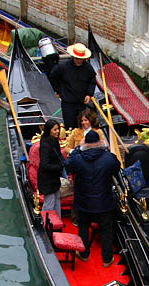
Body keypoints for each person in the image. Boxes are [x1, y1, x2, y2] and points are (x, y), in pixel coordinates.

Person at [64, 130, 120, 267]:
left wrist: (78, 148)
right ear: (99, 142)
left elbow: (67, 164)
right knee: (106, 230)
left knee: (83, 227)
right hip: (104, 203)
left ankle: (84, 254)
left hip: (84, 203)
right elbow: (117, 167)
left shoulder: (78, 158)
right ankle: (107, 259)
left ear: (86, 143)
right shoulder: (108, 158)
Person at [65, 109, 108, 226]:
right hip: (79, 166)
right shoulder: (75, 132)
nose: (84, 123)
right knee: (78, 191)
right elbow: (67, 148)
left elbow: (104, 147)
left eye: (86, 120)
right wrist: (76, 152)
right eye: (82, 120)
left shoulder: (98, 132)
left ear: (91, 120)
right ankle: (76, 218)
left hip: (93, 166)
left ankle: (90, 217)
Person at [49, 43, 96, 130]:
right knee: (69, 126)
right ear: (73, 56)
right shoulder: (63, 66)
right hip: (68, 103)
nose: (79, 61)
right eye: (77, 58)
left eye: (81, 59)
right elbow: (52, 76)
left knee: (81, 126)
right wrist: (58, 91)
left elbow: (92, 81)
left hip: (81, 103)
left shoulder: (88, 68)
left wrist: (89, 94)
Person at [37, 119, 64, 218]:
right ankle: (46, 224)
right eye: (55, 130)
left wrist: (64, 163)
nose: (57, 132)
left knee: (57, 199)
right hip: (46, 179)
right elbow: (44, 165)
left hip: (54, 176)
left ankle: (58, 221)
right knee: (49, 202)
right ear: (49, 130)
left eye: (58, 129)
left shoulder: (54, 141)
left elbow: (59, 155)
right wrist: (59, 167)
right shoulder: (45, 145)